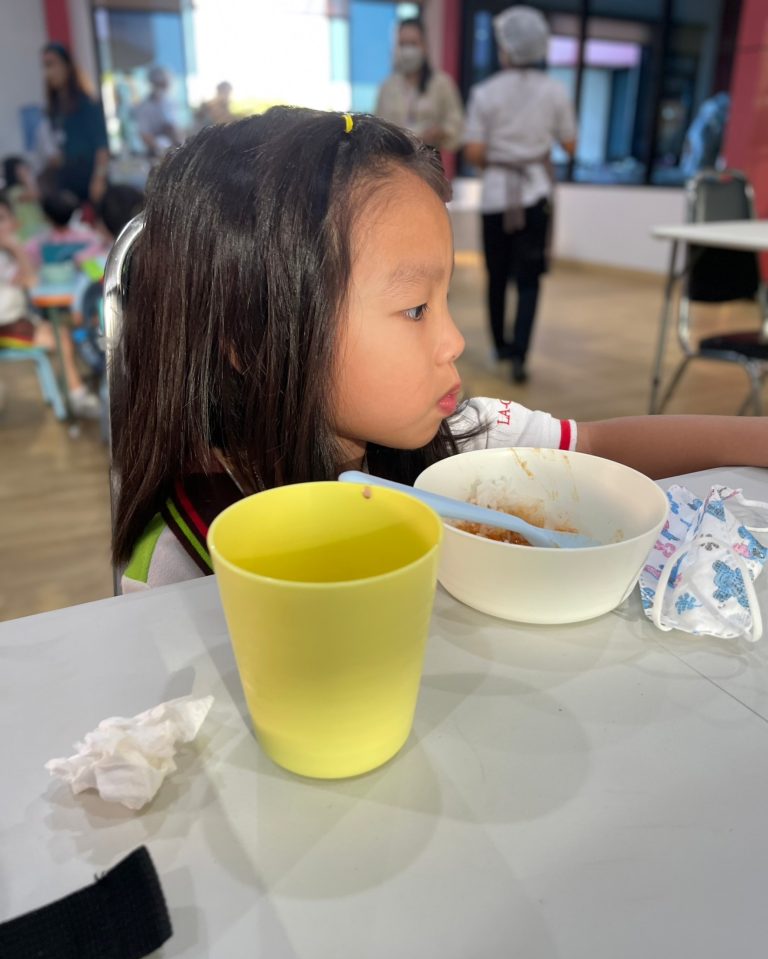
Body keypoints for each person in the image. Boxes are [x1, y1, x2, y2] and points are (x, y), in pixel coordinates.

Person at [111, 107, 768, 591]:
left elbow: (593, 447)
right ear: (251, 338)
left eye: (446, 298)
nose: (454, 341)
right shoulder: (184, 554)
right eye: (415, 309)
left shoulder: (459, 442)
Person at [463, 5, 577, 383]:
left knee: (496, 276)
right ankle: (521, 357)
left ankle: (500, 345)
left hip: (497, 196)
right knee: (529, 280)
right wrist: (535, 145)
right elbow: (571, 144)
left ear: (506, 49)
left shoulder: (484, 93)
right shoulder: (555, 91)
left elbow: (474, 152)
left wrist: (500, 154)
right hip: (536, 195)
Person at [0, 191, 99, 418]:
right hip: (9, 326)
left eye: (3, 218)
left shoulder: (26, 246)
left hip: (19, 320)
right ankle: (76, 394)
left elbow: (29, 278)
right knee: (61, 336)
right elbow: (32, 280)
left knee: (63, 332)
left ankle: (74, 389)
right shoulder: (13, 252)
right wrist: (15, 248)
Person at [375, 18, 464, 152]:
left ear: (424, 46)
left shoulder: (442, 84)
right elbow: (376, 130)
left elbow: (457, 129)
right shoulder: (387, 86)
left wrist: (439, 132)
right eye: (403, 44)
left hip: (428, 159)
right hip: (394, 159)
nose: (408, 50)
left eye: (413, 43)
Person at [37, 43, 109, 206]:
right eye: (45, 66)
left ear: (67, 65)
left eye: (52, 64)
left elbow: (102, 147)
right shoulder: (54, 109)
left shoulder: (87, 103)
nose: (49, 72)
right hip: (66, 181)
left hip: (89, 179)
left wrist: (99, 179)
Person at [133, 67, 180, 158]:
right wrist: (160, 146)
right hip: (155, 154)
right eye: (161, 84)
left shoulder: (171, 103)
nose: (164, 88)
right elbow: (144, 135)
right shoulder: (144, 107)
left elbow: (174, 128)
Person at [2, 156, 46, 241]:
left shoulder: (23, 188)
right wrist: (26, 177)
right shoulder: (14, 191)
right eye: (21, 169)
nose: (25, 170)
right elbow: (34, 195)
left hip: (35, 227)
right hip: (26, 229)